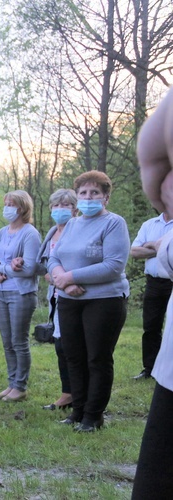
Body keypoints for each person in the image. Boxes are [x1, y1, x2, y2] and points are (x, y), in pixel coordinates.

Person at [48, 170, 130, 432]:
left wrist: (69, 276)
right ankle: (78, 411)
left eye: (95, 192)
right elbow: (54, 258)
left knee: (97, 358)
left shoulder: (114, 223)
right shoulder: (71, 224)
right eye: (83, 193)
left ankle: (93, 416)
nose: (88, 197)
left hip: (104, 301)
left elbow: (113, 266)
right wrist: (63, 279)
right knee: (74, 357)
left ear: (105, 197)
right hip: (69, 300)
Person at [133, 87, 173, 497]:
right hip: (158, 282)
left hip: (168, 276)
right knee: (150, 328)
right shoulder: (152, 223)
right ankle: (145, 365)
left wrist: (165, 248)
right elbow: (136, 248)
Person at [0, 190, 41, 402]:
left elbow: (30, 268)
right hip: (0, 293)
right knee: (7, 342)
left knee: (19, 341)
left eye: (11, 204)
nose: (7, 207)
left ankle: (20, 387)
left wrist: (3, 270)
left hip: (21, 293)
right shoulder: (2, 232)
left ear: (22, 208)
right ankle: (11, 384)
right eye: (6, 203)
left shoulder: (30, 233)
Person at [36, 188, 78, 411]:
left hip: (74, 295)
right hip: (55, 296)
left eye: (66, 205)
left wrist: (63, 279)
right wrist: (49, 276)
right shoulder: (52, 232)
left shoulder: (78, 230)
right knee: (61, 347)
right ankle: (68, 394)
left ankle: (79, 395)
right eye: (56, 205)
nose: (60, 210)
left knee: (71, 347)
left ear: (74, 208)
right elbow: (43, 264)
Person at [130, 212, 173, 380]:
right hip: (153, 283)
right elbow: (134, 252)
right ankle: (150, 369)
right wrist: (162, 247)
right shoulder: (149, 224)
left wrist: (151, 246)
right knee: (150, 327)